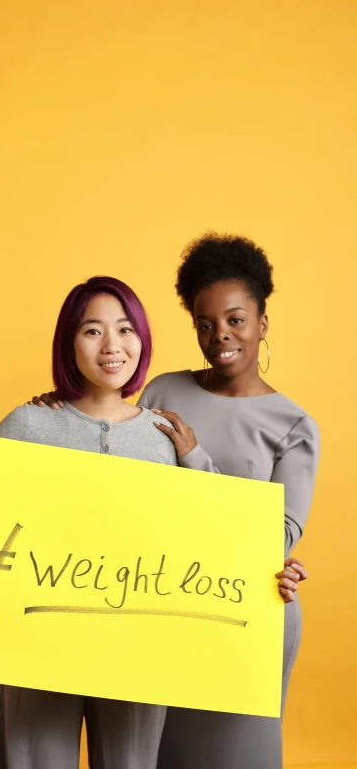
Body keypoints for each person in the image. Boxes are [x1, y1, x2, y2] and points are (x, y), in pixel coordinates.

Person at [30, 232, 320, 769]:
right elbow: (119, 456)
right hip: (162, 605)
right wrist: (62, 409)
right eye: (205, 324)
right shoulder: (164, 391)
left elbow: (276, 536)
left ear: (262, 323)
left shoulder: (295, 425)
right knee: (154, 752)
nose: (220, 336)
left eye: (235, 319)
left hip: (247, 609)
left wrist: (196, 459)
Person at [0, 276, 183, 769]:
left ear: (142, 339)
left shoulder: (165, 439)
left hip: (136, 651)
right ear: (68, 342)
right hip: (34, 643)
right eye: (92, 331)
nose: (112, 346)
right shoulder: (28, 424)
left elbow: (201, 542)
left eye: (126, 329)